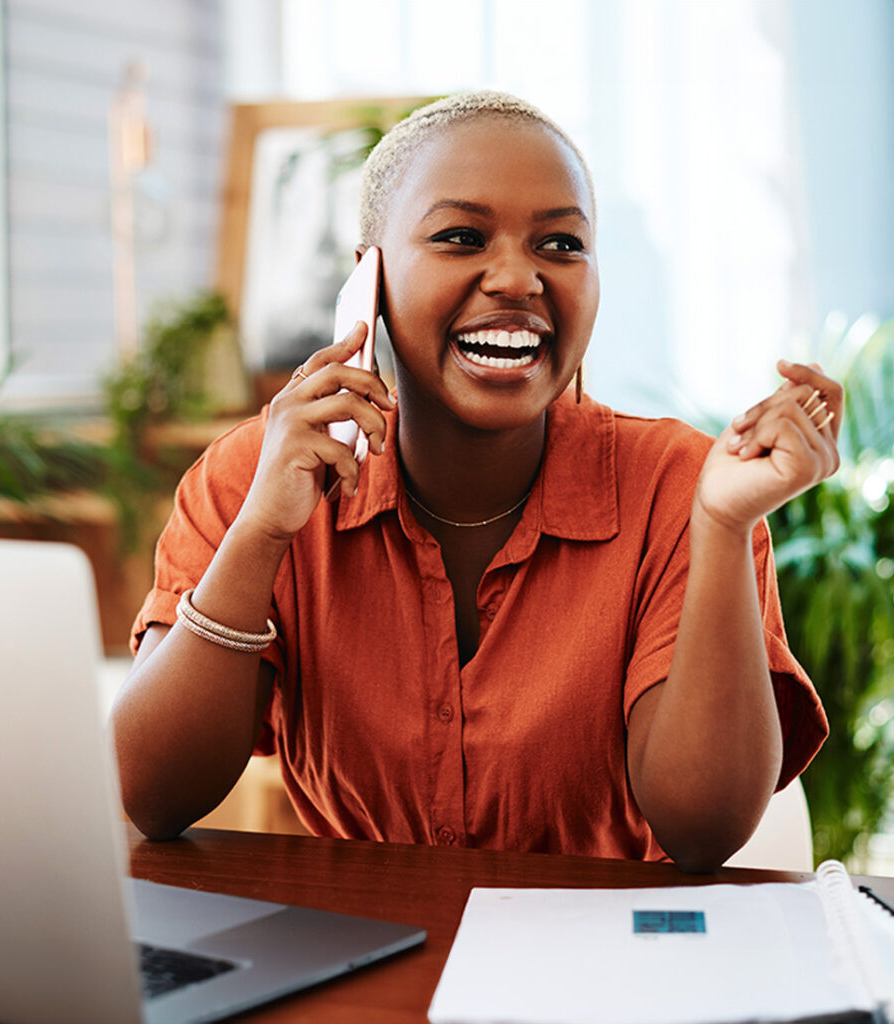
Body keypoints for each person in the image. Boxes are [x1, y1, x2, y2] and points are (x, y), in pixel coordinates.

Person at [112, 91, 839, 872]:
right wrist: (260, 534)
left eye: (561, 245)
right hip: (367, 955)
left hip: (607, 960)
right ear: (369, 281)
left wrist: (724, 528)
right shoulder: (252, 478)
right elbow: (155, 797)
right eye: (461, 237)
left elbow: (704, 827)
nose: (517, 278)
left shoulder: (682, 488)